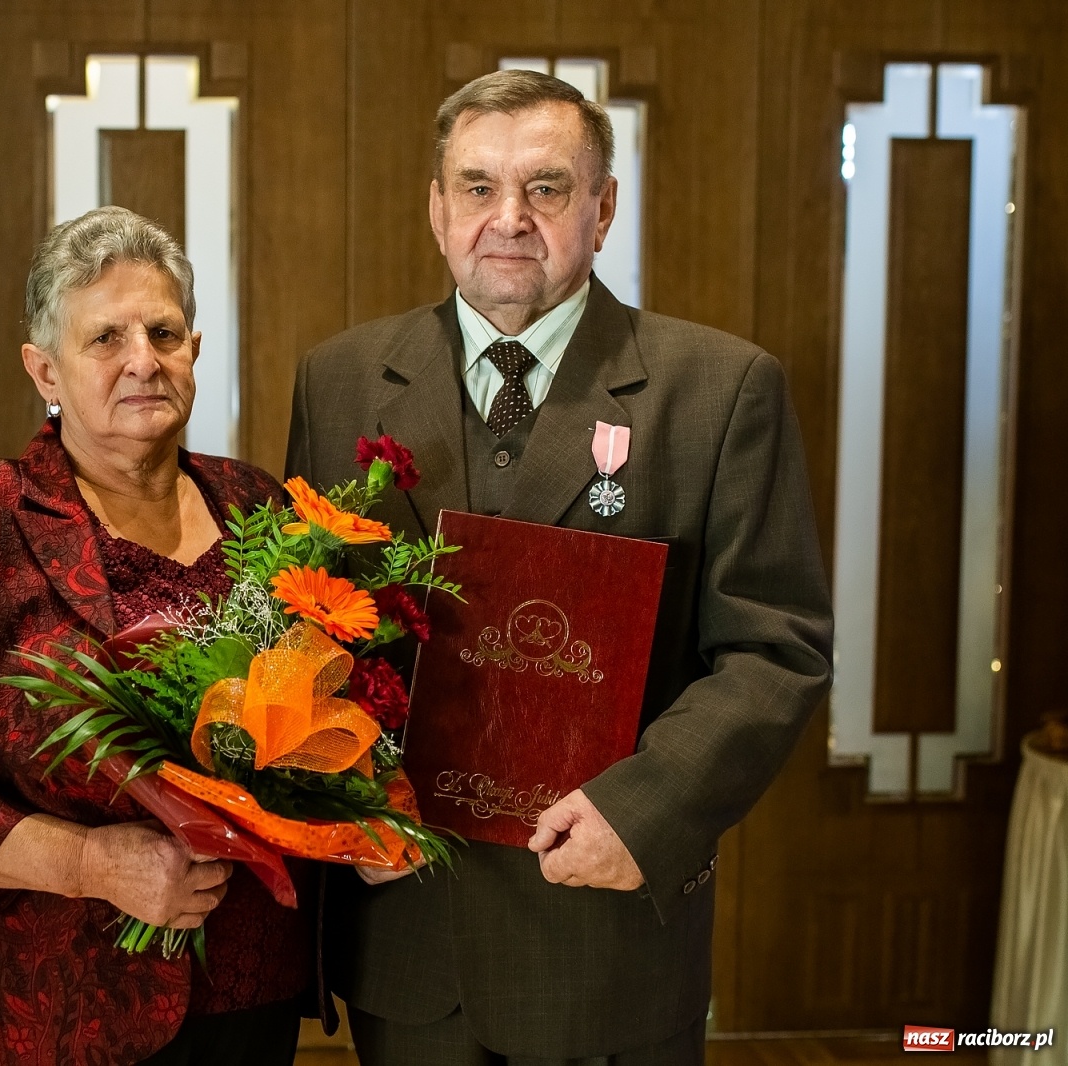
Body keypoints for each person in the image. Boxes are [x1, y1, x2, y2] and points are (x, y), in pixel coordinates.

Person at [285, 70, 833, 1065]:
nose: (508, 218)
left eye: (544, 188)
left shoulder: (719, 392)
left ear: (602, 206)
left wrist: (646, 811)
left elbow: (774, 648)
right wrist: (343, 798)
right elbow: (307, 622)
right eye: (477, 187)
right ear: (436, 206)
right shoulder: (339, 379)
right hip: (409, 936)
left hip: (605, 937)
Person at [0, 207, 310, 1066]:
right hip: (37, 999)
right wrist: (91, 864)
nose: (144, 359)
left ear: (196, 352)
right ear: (45, 370)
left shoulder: (259, 507)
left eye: (165, 332)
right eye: (106, 337)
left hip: (246, 983)